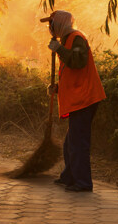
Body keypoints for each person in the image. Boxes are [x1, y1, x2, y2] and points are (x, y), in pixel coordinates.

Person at [40, 10, 106, 192]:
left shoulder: (76, 38)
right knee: (71, 142)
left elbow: (78, 62)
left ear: (59, 24)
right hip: (79, 98)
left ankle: (83, 183)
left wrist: (59, 49)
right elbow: (72, 73)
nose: (50, 30)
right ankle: (69, 177)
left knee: (78, 143)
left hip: (86, 98)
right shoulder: (66, 40)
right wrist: (58, 88)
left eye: (52, 26)